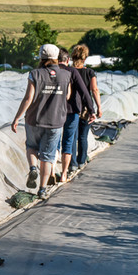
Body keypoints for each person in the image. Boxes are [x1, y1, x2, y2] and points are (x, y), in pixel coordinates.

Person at [10, 43, 89, 198]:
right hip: (55, 121)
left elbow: (28, 98)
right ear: (56, 57)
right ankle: (42, 189)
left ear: (41, 57)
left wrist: (17, 117)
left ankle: (33, 168)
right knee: (47, 155)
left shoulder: (35, 74)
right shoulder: (66, 75)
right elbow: (67, 96)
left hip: (34, 119)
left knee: (32, 147)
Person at [52, 48, 96, 184]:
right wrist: (91, 109)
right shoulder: (72, 71)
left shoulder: (50, 71)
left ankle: (52, 172)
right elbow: (85, 91)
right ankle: (65, 172)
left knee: (55, 142)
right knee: (69, 141)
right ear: (67, 60)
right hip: (72, 111)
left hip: (54, 112)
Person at [60, 44, 102, 181]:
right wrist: (97, 108)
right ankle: (81, 160)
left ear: (72, 57)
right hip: (84, 108)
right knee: (83, 136)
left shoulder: (68, 71)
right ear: (85, 58)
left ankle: (71, 164)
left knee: (71, 136)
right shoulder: (89, 72)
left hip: (70, 106)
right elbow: (94, 90)